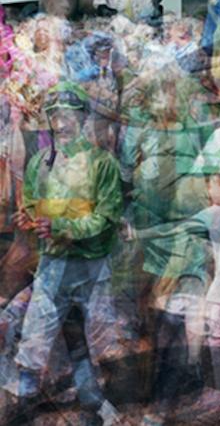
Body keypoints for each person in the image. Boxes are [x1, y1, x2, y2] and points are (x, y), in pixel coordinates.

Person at [11, 82, 124, 425]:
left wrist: (64, 229)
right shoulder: (40, 162)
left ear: (82, 118)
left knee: (98, 338)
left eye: (68, 116)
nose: (61, 124)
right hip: (53, 266)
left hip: (91, 267)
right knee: (36, 335)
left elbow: (106, 218)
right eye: (55, 116)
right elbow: (33, 203)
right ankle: (24, 402)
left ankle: (98, 402)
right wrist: (28, 218)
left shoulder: (101, 163)